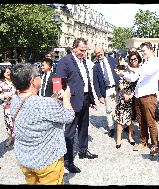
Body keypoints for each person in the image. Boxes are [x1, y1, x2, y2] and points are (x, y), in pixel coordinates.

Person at [10, 63, 75, 185]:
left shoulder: (15, 100)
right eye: (39, 75)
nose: (41, 77)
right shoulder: (44, 104)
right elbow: (69, 117)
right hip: (47, 161)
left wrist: (54, 99)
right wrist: (66, 98)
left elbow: (39, 112)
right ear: (33, 81)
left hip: (25, 159)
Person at [56, 38, 97, 174]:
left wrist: (91, 98)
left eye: (85, 51)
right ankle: (68, 161)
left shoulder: (83, 61)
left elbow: (86, 80)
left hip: (84, 98)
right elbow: (57, 81)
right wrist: (61, 94)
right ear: (74, 48)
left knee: (84, 127)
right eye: (81, 50)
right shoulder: (65, 61)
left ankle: (83, 151)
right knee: (70, 131)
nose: (83, 53)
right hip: (71, 101)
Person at [118, 42, 159, 156]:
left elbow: (146, 73)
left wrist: (130, 68)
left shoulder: (156, 61)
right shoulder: (144, 63)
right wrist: (123, 74)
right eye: (141, 51)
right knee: (141, 121)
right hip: (138, 96)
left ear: (151, 50)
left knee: (150, 121)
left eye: (144, 51)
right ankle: (143, 142)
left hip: (148, 96)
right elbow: (134, 78)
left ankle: (155, 144)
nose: (142, 53)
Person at [113, 51, 141, 148]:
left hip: (133, 98)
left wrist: (131, 95)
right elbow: (120, 82)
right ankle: (118, 140)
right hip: (123, 97)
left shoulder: (140, 70)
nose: (133, 61)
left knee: (131, 120)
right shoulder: (125, 69)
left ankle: (130, 137)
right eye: (131, 59)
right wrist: (124, 94)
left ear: (138, 59)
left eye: (135, 59)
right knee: (120, 120)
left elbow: (137, 85)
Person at [92, 47, 120, 137]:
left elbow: (120, 71)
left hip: (117, 88)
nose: (99, 54)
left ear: (103, 51)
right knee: (108, 110)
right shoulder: (96, 66)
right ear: (95, 55)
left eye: (100, 52)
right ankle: (111, 127)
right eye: (97, 53)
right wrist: (99, 96)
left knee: (120, 107)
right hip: (106, 90)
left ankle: (123, 125)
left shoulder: (112, 60)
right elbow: (95, 83)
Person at [0, 66, 17, 147]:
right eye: (7, 72)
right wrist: (4, 96)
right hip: (7, 106)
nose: (9, 73)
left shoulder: (16, 82)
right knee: (9, 123)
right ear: (3, 74)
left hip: (17, 105)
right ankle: (10, 138)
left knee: (17, 123)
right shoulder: (0, 84)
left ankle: (18, 140)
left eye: (9, 72)